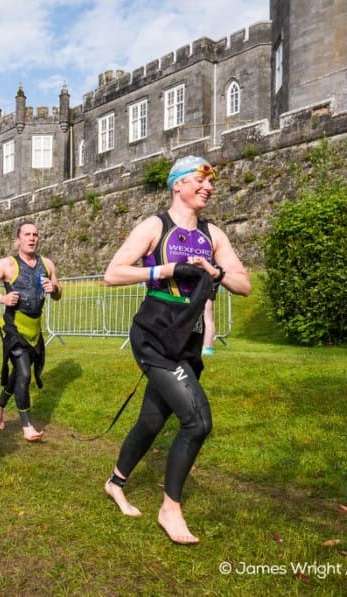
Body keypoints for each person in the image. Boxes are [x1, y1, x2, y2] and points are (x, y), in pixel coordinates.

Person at [102, 155, 250, 544]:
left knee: (152, 421)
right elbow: (112, 273)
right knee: (198, 422)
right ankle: (171, 508)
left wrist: (215, 271)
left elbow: (244, 283)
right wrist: (163, 271)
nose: (208, 187)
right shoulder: (155, 226)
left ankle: (116, 482)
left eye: (210, 182)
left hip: (187, 339)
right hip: (154, 335)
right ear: (178, 185)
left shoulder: (213, 234)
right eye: (199, 180)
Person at [0, 221, 62, 441]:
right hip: (13, 327)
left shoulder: (47, 264)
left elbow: (58, 292)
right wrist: (1, 298)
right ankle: (27, 426)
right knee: (24, 373)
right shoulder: (6, 264)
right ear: (18, 239)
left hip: (34, 329)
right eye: (27, 234)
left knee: (19, 372)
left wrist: (55, 289)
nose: (32, 238)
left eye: (35, 234)